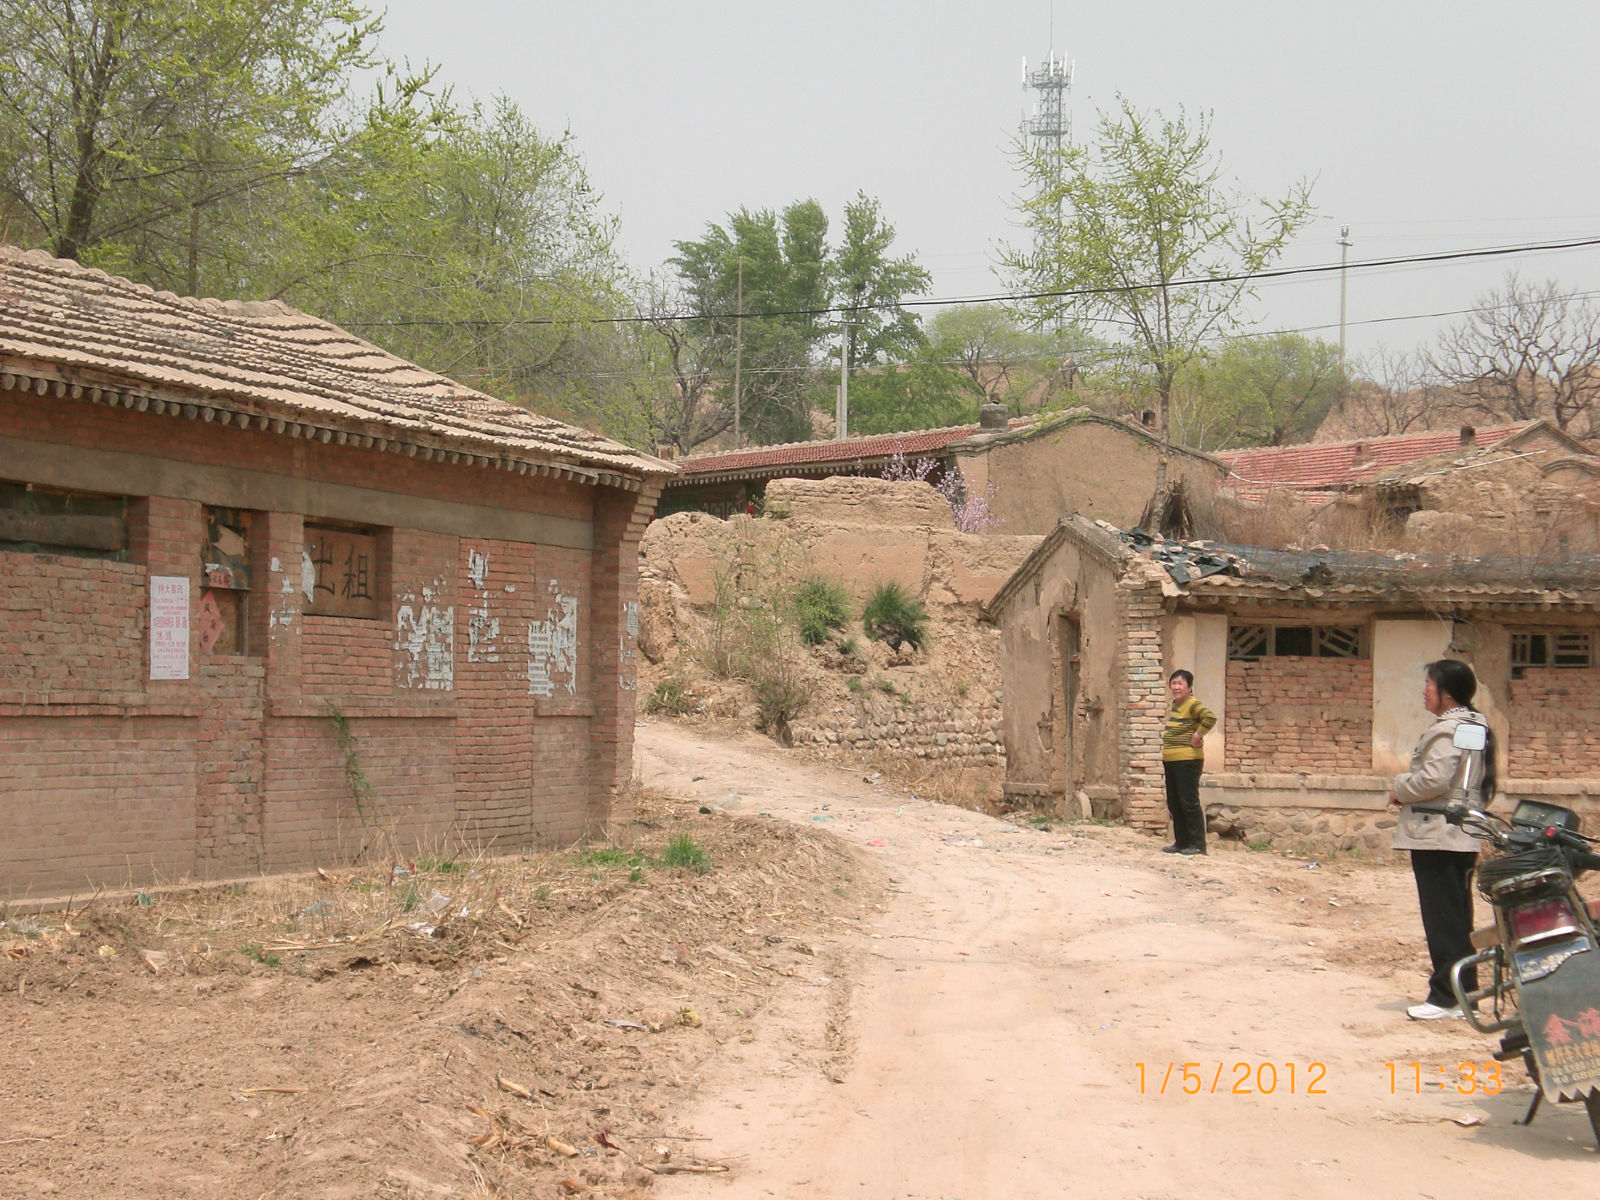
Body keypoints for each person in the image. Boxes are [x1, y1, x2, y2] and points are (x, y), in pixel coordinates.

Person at [1388, 658, 1496, 1020]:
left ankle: (1446, 997)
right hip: (1458, 835)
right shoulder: (1473, 723)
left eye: (1429, 684)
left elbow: (1434, 779)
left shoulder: (1449, 729)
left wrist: (1399, 788)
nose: (1424, 691)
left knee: (1443, 919)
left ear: (1447, 691)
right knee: (1456, 918)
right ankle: (1463, 992)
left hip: (1439, 834)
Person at [1162, 669, 1217, 856]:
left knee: (1188, 802)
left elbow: (1210, 717)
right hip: (1172, 759)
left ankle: (1197, 844)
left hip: (1187, 759)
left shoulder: (1192, 704)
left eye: (1180, 683)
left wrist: (1198, 734)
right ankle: (1181, 842)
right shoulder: (1175, 705)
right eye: (1174, 683)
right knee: (1175, 802)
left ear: (1189, 687)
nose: (1176, 687)